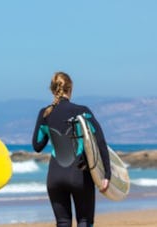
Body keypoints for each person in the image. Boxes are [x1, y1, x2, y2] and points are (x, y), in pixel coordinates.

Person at [32, 72, 111, 227]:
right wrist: (107, 174)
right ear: (70, 89)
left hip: (54, 177)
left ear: (52, 90)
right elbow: (100, 142)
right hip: (78, 175)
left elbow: (37, 146)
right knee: (84, 221)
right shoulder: (82, 111)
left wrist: (52, 129)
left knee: (63, 222)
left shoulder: (45, 113)